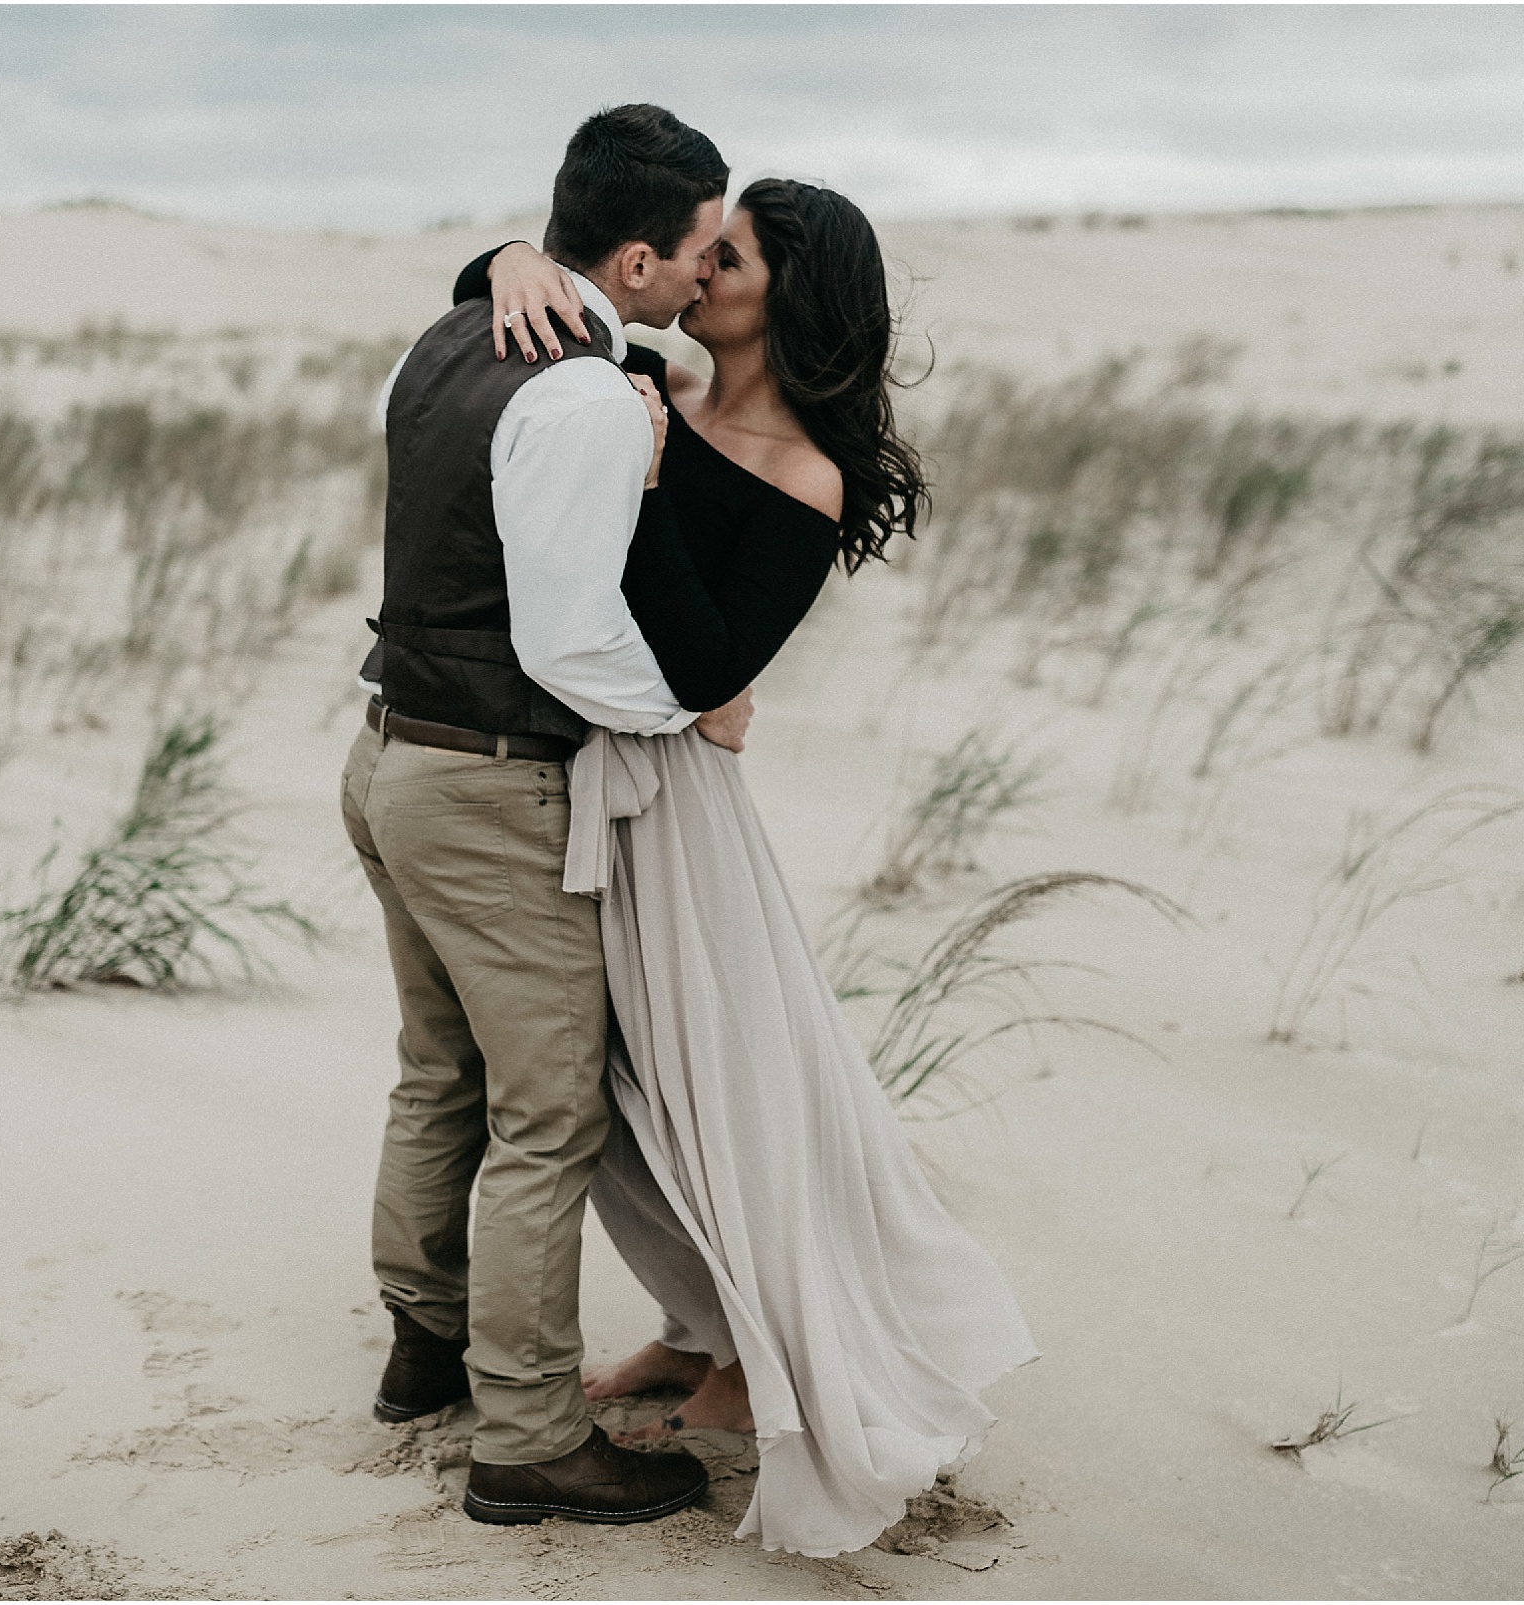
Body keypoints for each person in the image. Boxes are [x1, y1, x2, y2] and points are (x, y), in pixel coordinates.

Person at [448, 177, 1042, 1558]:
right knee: (596, 1080)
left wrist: (652, 492)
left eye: (736, 253)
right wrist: (510, 253)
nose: (701, 265)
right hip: (596, 782)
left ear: (793, 295)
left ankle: (746, 1356)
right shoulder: (642, 372)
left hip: (679, 820)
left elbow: (712, 665)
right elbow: (537, 300)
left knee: (709, 1094)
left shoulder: (805, 472)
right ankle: (695, 1324)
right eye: (708, 243)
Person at [337, 103, 750, 1529]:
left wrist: (516, 263)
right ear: (636, 257)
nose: (708, 274)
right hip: (486, 781)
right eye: (700, 249)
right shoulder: (575, 394)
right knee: (548, 1108)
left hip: (387, 752)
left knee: (438, 1065)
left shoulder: (447, 338)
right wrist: (689, 709)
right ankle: (522, 1434)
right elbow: (572, 644)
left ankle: (422, 1343)